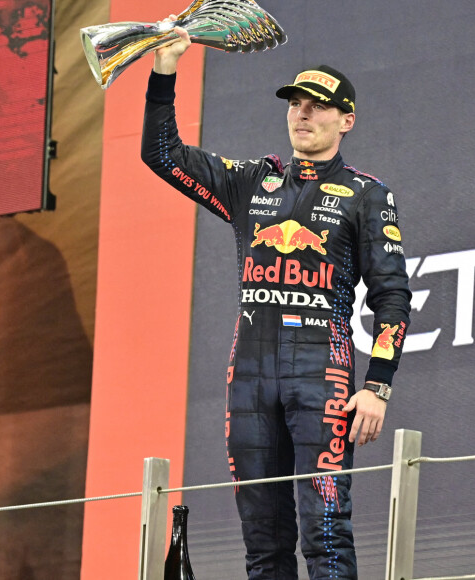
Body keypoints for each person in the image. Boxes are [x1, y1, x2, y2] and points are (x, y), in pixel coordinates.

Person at [141, 18, 411, 580]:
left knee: (326, 533)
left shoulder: (366, 194)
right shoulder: (250, 181)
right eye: (294, 103)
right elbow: (162, 156)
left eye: (317, 105)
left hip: (324, 376)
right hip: (250, 378)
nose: (303, 113)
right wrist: (165, 71)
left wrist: (378, 386)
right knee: (262, 543)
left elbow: (392, 297)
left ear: (346, 120)